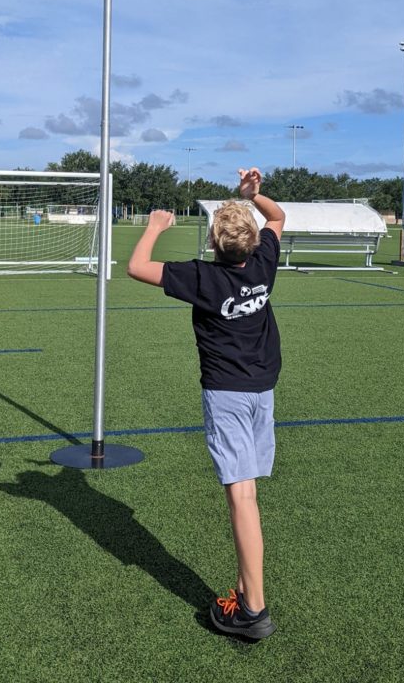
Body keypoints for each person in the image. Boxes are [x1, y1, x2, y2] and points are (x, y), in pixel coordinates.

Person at [127, 167, 285, 639]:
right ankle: (244, 590)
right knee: (249, 492)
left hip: (229, 394)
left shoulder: (202, 278)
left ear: (214, 244)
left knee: (241, 496)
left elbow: (136, 267)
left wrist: (154, 228)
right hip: (262, 390)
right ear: (252, 242)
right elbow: (278, 216)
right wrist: (254, 196)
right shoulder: (264, 263)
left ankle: (252, 611)